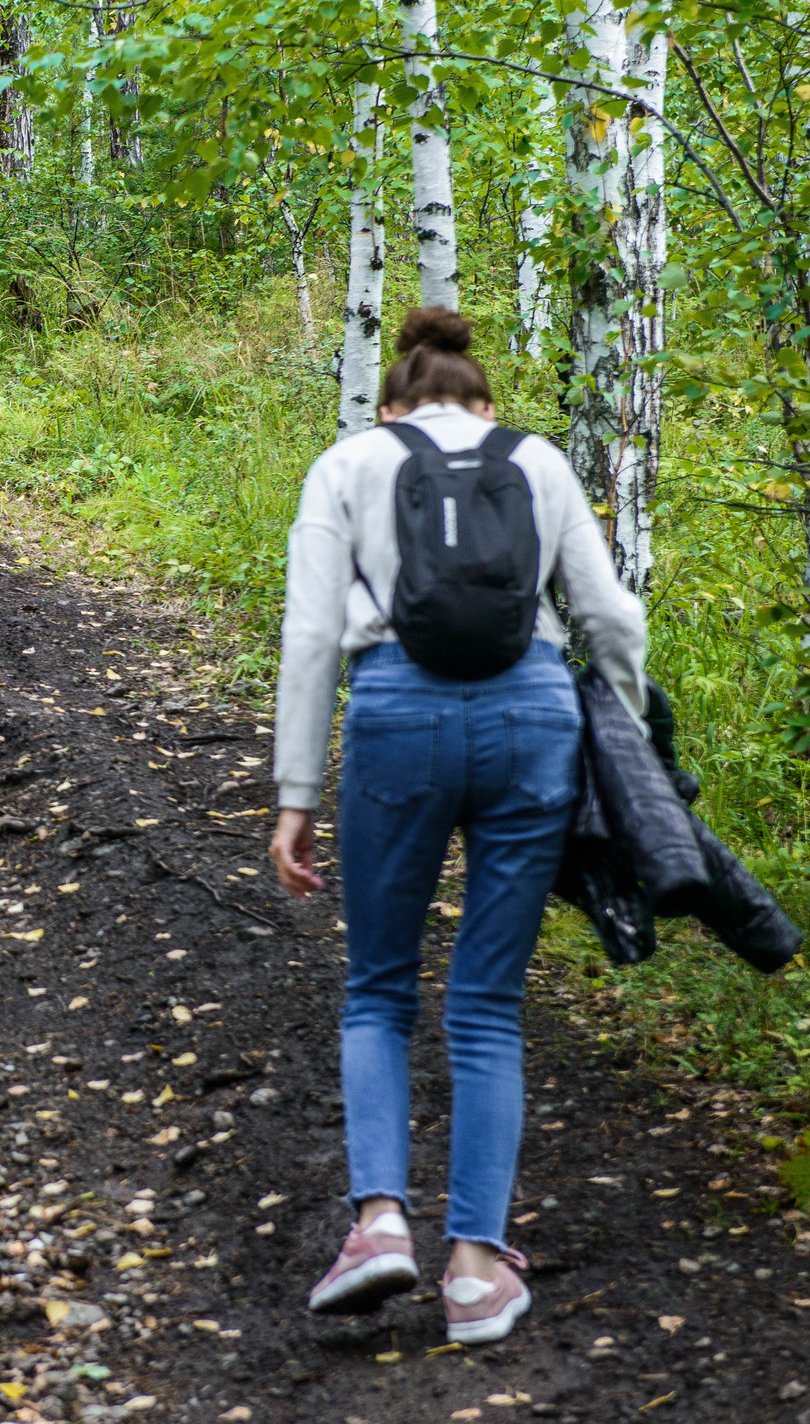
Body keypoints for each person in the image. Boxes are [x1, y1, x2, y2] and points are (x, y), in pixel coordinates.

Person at [271, 307, 648, 1349]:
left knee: (378, 987)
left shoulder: (346, 462)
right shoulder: (537, 461)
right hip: (532, 714)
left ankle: (378, 1220)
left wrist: (294, 792)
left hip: (395, 710)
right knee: (486, 1002)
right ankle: (477, 1271)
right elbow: (611, 617)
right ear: (482, 404)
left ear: (391, 403)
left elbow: (309, 634)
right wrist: (622, 739)